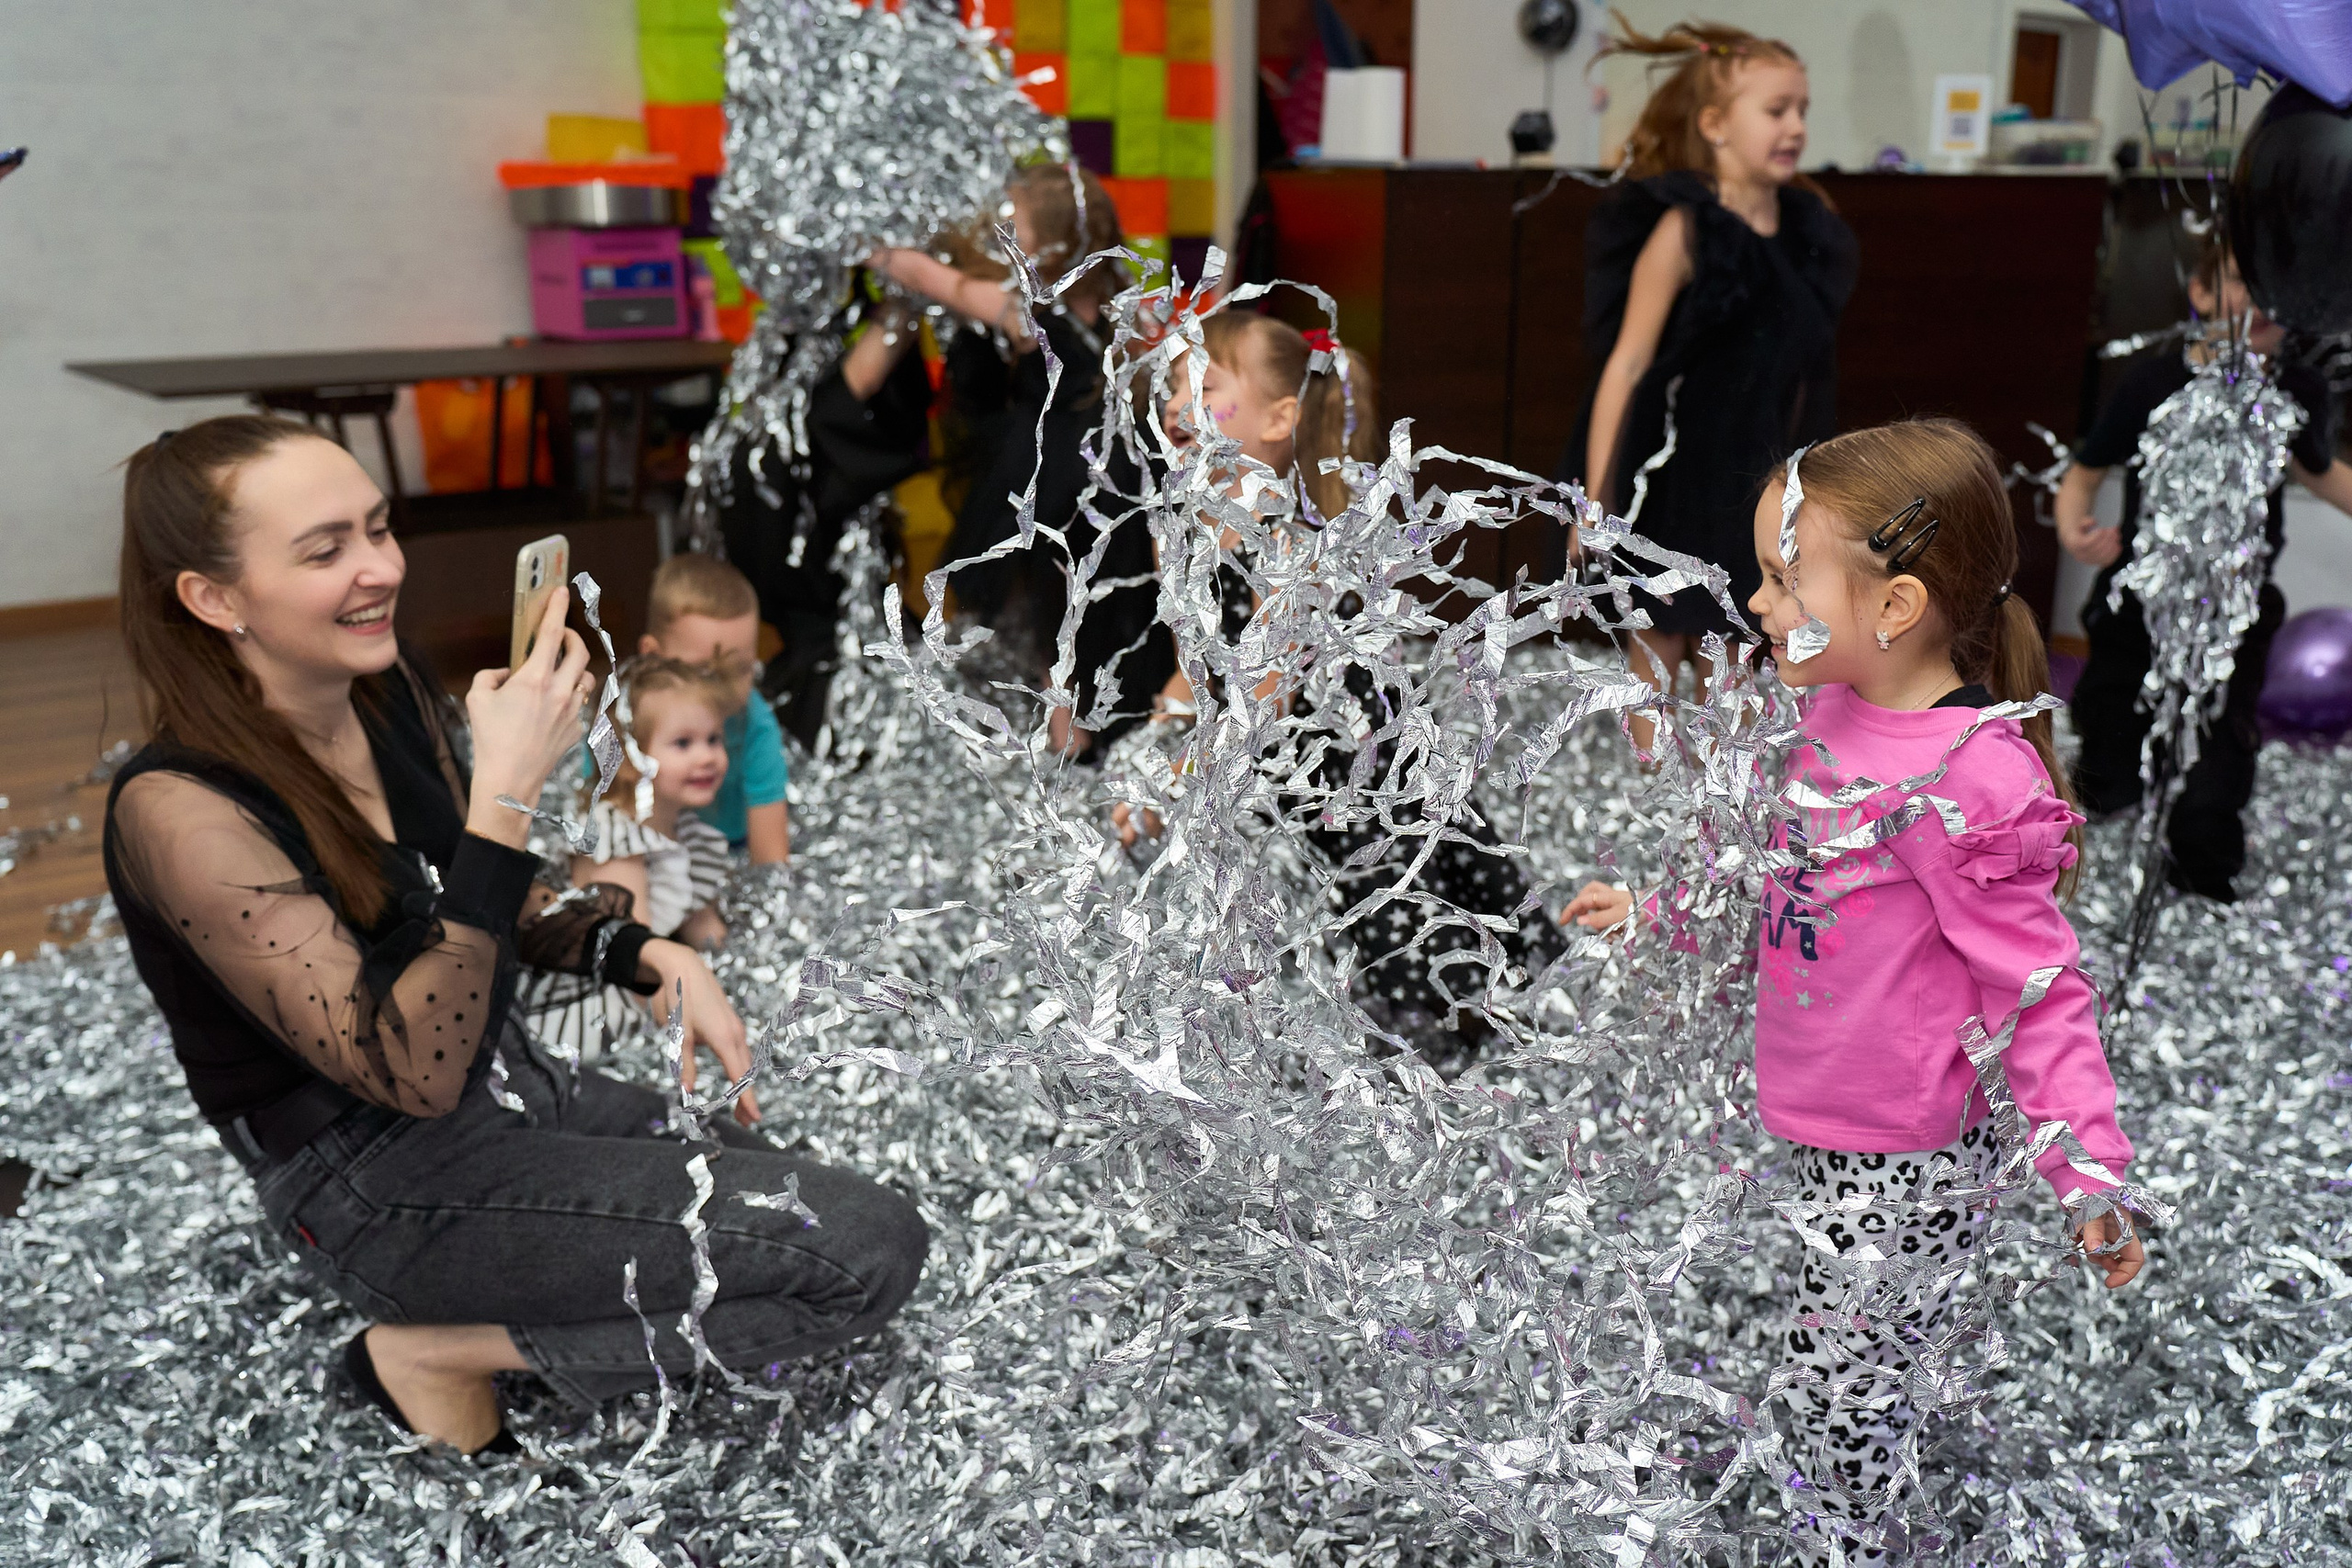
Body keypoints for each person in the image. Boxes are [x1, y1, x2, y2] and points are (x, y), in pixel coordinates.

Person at [104, 417, 926, 1454]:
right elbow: (411, 1071)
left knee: (785, 1197)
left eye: (379, 528)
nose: (379, 571)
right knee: (863, 1252)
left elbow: (473, 900)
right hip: (372, 1179)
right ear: (212, 598)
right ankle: (432, 1352)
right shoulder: (177, 808)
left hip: (512, 1080)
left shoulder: (383, 689)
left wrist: (636, 952)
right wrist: (506, 794)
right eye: (325, 551)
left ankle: (490, 1317)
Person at [1566, 420, 2141, 1564]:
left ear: (1894, 608)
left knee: (1844, 1386)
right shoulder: (1823, 714)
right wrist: (1658, 914)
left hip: (1911, 1147)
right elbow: (1768, 866)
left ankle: (1846, 1536)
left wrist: (2087, 1174)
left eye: (1785, 578)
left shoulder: (1965, 776)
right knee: (1859, 1346)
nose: (1758, 600)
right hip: (1836, 1123)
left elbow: (2037, 988)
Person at [1143, 312, 1567, 1061]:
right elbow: (1196, 662)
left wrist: (1188, 772)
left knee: (1388, 896)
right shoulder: (1181, 526)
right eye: (1175, 384)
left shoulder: (1291, 535)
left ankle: (1433, 1034)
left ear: (1280, 419)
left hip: (1352, 765)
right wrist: (1159, 741)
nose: (1178, 403)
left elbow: (1268, 681)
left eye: (1204, 387)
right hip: (1271, 758)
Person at [1566, 17, 1857, 744]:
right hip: (1674, 473)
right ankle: (1655, 794)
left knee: (1735, 643)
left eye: (1802, 111)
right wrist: (1593, 497)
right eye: (1775, 110)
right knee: (1661, 640)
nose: (1794, 127)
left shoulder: (1808, 229)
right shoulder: (1686, 228)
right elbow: (1627, 365)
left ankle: (1723, 807)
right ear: (1716, 125)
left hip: (1754, 475)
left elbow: (1804, 369)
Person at [2056, 239, 2352, 900]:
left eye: (2276, 286)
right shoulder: (2150, 383)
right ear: (2201, 294)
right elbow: (2087, 467)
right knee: (2108, 721)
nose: (2262, 302)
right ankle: (2100, 807)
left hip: (2236, 607)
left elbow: (2321, 473)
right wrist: (2076, 523)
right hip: (2138, 595)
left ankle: (2202, 861)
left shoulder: (2295, 390)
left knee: (2223, 742)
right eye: (2245, 283)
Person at [869, 163, 1164, 753]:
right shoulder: (1123, 305)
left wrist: (882, 254)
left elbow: (944, 285)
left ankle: (1067, 736)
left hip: (1055, 476)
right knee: (1101, 600)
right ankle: (1097, 719)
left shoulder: (1026, 311)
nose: (1005, 237)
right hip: (1118, 474)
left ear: (1052, 243)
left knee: (1057, 610)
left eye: (1015, 226)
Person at [717, 289, 933, 752]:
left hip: (818, 650)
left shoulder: (759, 453)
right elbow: (858, 385)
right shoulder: (803, 444)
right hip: (843, 666)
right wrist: (910, 291)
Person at [525, 658, 736, 1058]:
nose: (707, 756)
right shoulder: (617, 839)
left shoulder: (687, 830)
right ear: (629, 759)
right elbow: (629, 956)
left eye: (714, 739)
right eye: (683, 744)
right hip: (601, 997)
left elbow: (703, 925)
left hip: (656, 970)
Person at [638, 553, 791, 863]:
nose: (723, 690)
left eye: (739, 670)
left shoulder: (754, 723)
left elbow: (770, 858)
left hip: (730, 850)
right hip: (646, 849)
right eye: (705, 673)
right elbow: (602, 824)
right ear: (653, 657)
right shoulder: (623, 721)